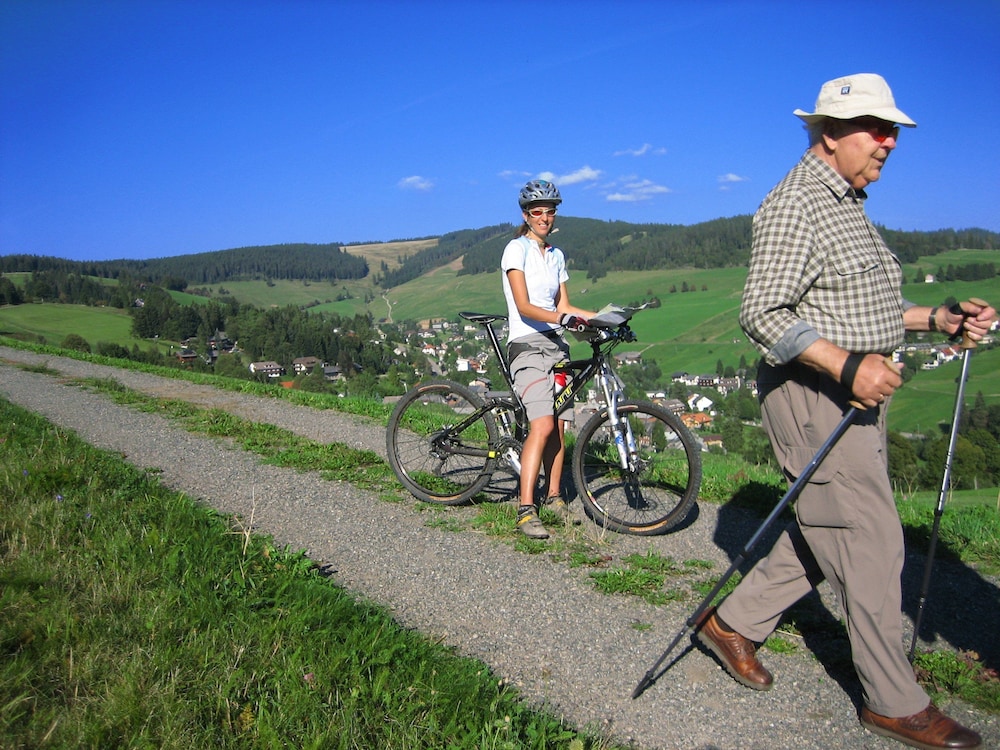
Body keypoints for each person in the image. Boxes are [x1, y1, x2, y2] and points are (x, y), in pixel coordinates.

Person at [696, 73, 995, 749]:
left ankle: (732, 625)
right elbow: (761, 313)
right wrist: (848, 365)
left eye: (894, 130)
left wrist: (935, 318)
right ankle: (893, 700)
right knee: (871, 538)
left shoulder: (847, 203)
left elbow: (860, 310)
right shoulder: (795, 204)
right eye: (876, 127)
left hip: (850, 393)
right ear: (830, 132)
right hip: (813, 395)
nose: (890, 141)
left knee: (830, 521)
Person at [501, 179, 595, 539]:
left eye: (550, 211)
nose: (544, 217)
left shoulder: (556, 255)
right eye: (537, 212)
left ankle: (554, 496)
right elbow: (525, 306)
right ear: (526, 215)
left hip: (557, 346)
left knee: (559, 426)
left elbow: (566, 306)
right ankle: (526, 510)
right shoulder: (516, 250)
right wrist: (563, 319)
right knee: (540, 423)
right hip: (526, 344)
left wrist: (601, 318)